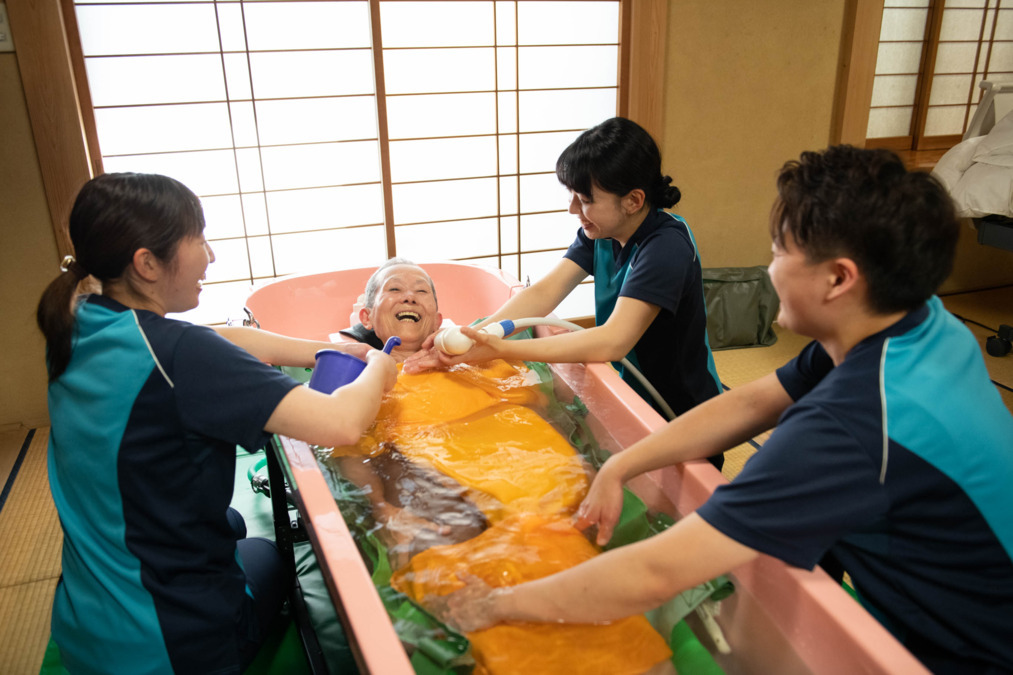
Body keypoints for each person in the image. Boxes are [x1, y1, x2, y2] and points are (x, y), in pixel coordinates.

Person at [424, 145, 1013, 674]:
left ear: (839, 279)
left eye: (781, 248)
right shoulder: (917, 325)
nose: (769, 264)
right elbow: (755, 399)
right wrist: (617, 466)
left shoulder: (851, 423)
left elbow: (658, 573)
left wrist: (495, 603)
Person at [36, 172, 396, 674]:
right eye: (199, 239)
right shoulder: (181, 357)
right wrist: (379, 365)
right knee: (268, 558)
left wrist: (330, 349)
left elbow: (223, 341)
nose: (211, 255)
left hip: (88, 624)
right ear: (147, 263)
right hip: (169, 643)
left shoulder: (77, 323)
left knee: (236, 532)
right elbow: (340, 424)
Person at [406, 117, 724, 468]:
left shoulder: (666, 248)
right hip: (633, 390)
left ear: (633, 200)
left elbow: (612, 342)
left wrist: (502, 349)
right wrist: (474, 336)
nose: (573, 209)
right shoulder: (600, 233)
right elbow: (543, 292)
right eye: (572, 195)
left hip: (683, 409)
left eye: (585, 199)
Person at [337, 256, 443, 363]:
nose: (410, 297)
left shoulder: (457, 361)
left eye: (421, 291)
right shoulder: (353, 367)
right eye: (394, 289)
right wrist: (345, 351)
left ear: (437, 321)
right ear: (367, 318)